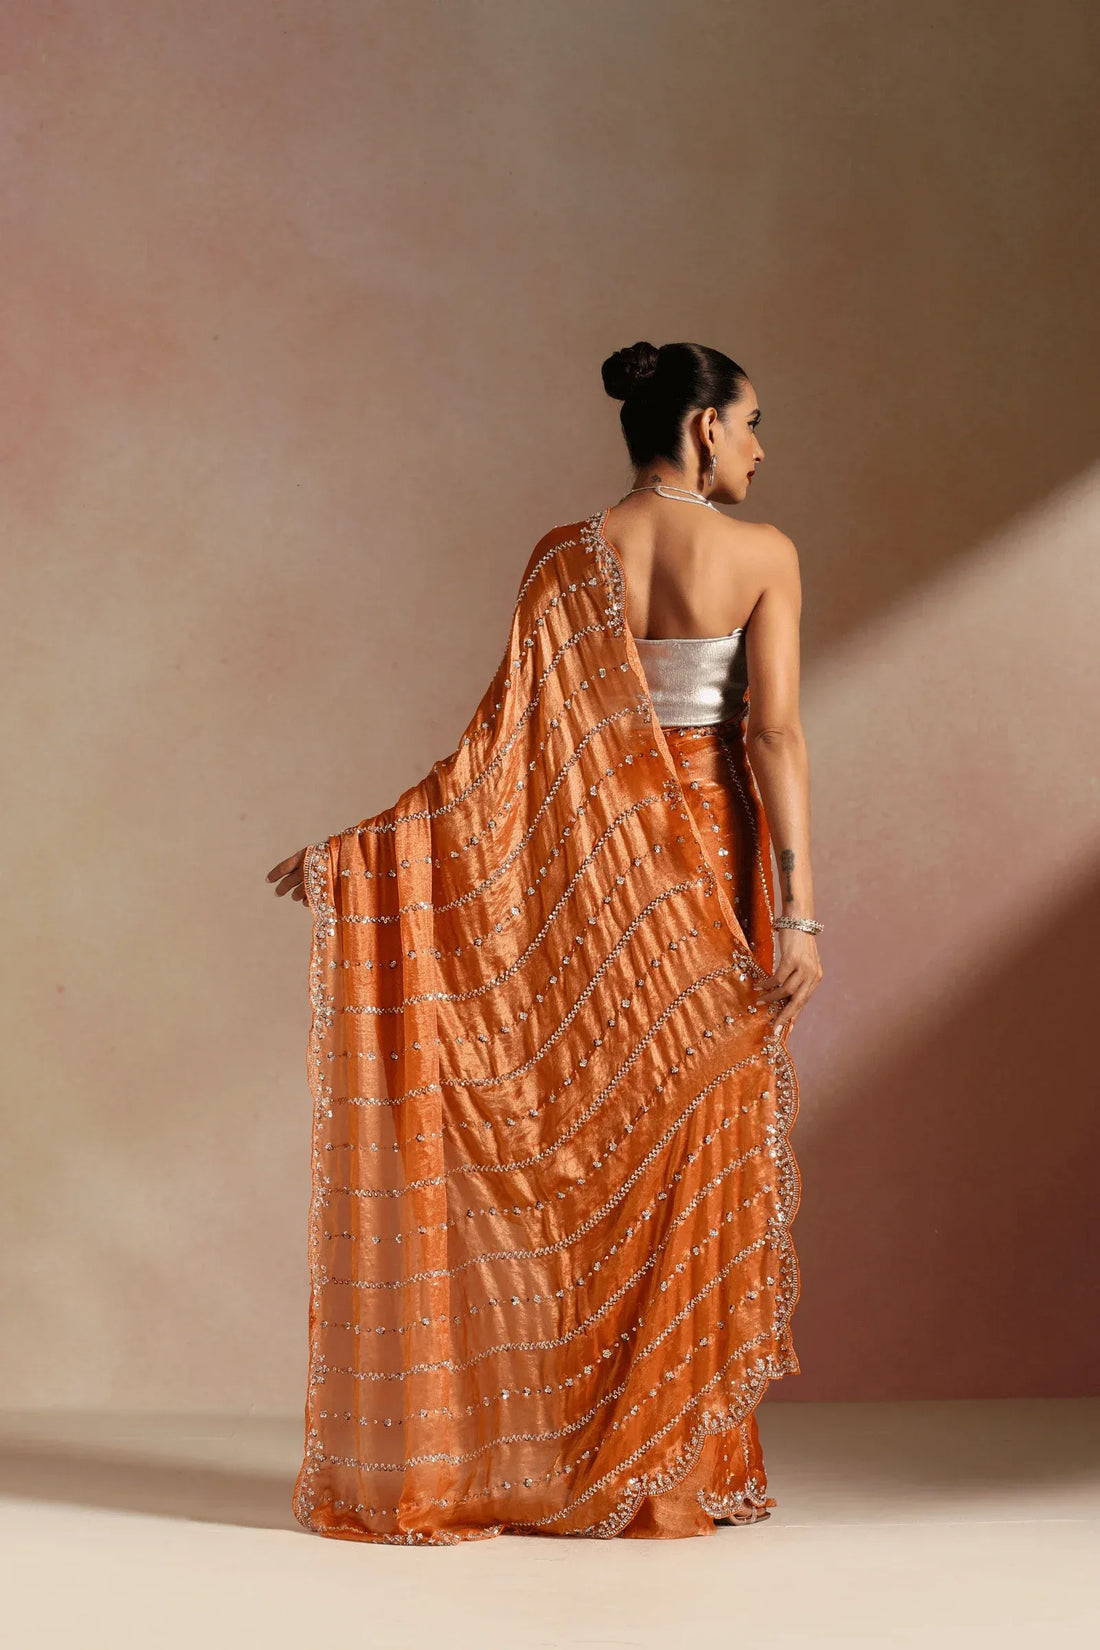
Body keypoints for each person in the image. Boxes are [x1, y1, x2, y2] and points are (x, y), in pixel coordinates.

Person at [266, 339, 822, 1543]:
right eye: (751, 422)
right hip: (707, 860)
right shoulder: (761, 555)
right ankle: (662, 1471)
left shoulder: (570, 556)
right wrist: (797, 911)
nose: (760, 447)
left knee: (613, 1141)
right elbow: (770, 737)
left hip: (600, 873)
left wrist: (364, 854)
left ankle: (610, 1457)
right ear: (704, 428)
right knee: (691, 1137)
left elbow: (495, 757)